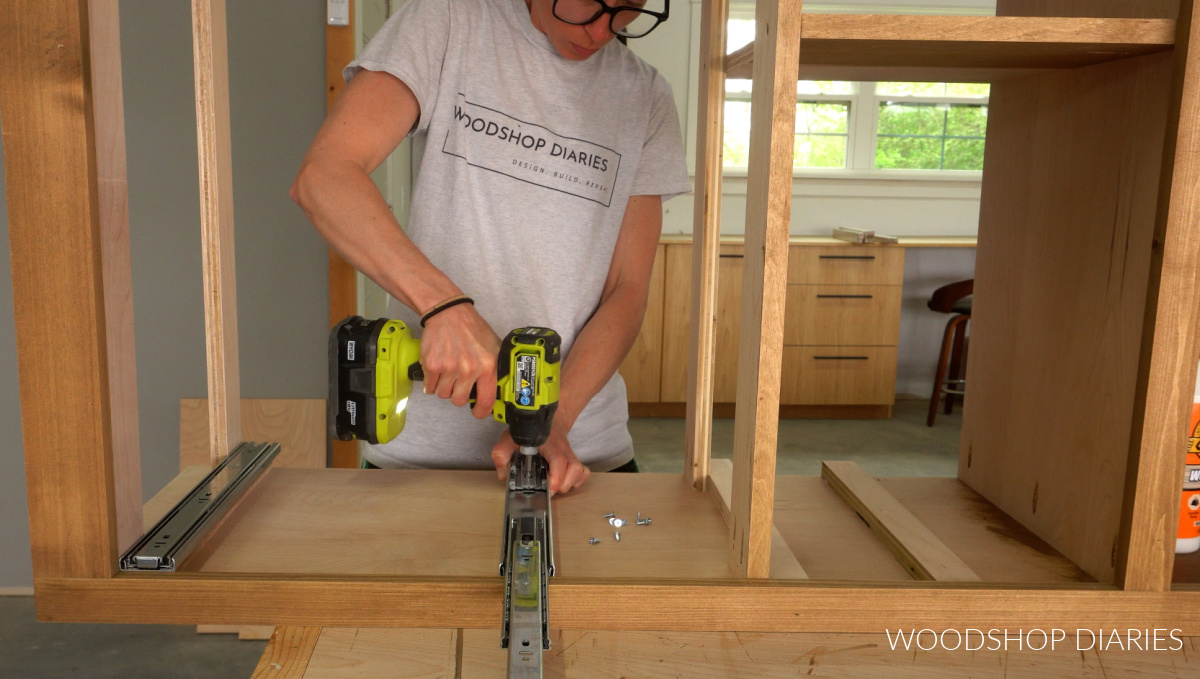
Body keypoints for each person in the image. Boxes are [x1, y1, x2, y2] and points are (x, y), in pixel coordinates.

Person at [290, 0, 691, 495]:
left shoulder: (645, 95)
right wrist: (446, 307)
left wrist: (553, 421)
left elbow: (627, 289)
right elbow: (324, 178)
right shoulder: (450, 22)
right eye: (589, 3)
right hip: (423, 458)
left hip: (582, 454)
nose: (603, 32)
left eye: (628, 10)